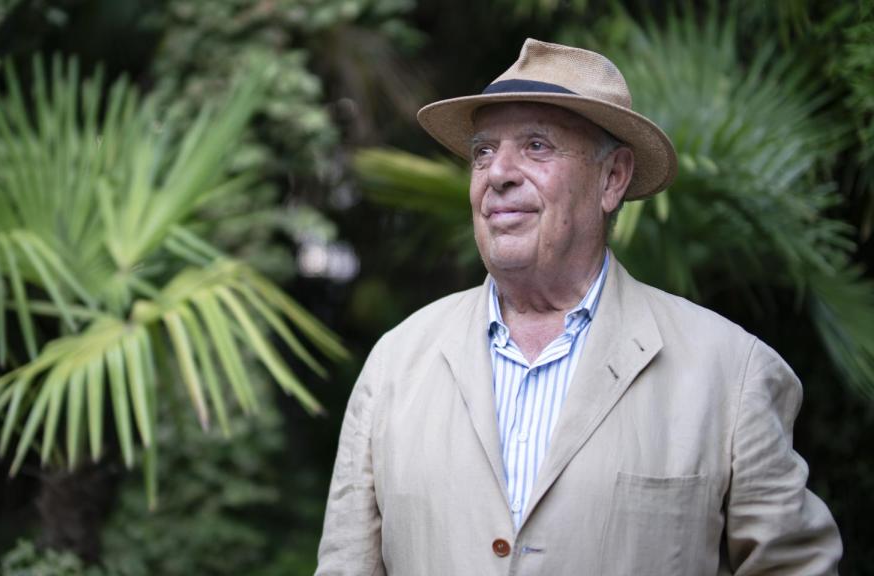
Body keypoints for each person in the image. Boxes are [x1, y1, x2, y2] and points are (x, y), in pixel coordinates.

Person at [315, 38, 842, 575]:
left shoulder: (732, 373)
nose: (498, 173)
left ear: (612, 178)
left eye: (537, 146)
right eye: (483, 151)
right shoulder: (395, 365)